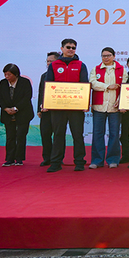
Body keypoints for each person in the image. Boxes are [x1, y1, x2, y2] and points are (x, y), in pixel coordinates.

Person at [46, 39, 88, 173]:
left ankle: (79, 162)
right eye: (68, 47)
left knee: (77, 135)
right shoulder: (54, 65)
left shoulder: (81, 65)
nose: (71, 50)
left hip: (76, 106)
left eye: (73, 48)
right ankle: (56, 162)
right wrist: (46, 103)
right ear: (62, 49)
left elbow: (84, 85)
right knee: (58, 134)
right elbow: (48, 84)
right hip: (58, 106)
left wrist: (85, 103)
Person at [89, 47, 127, 169]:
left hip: (114, 107)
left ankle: (113, 159)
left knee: (114, 134)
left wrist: (120, 100)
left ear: (114, 56)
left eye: (108, 55)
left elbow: (125, 87)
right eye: (103, 56)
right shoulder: (96, 69)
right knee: (97, 134)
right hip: (99, 106)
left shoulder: (122, 70)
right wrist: (107, 86)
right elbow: (92, 83)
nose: (106, 58)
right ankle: (97, 160)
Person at [0, 63, 33, 167]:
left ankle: (19, 159)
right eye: (5, 74)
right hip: (8, 114)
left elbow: (27, 97)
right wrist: (6, 109)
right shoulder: (3, 83)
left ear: (16, 74)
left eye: (9, 74)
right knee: (10, 137)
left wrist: (16, 108)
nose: (7, 77)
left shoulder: (24, 82)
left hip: (23, 113)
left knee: (21, 136)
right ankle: (9, 159)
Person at [38, 51, 59, 167]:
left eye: (52, 61)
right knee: (45, 134)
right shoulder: (44, 76)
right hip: (45, 110)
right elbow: (41, 92)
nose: (49, 63)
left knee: (58, 135)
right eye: (47, 61)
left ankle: (57, 158)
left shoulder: (61, 75)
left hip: (58, 110)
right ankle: (47, 158)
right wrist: (39, 108)